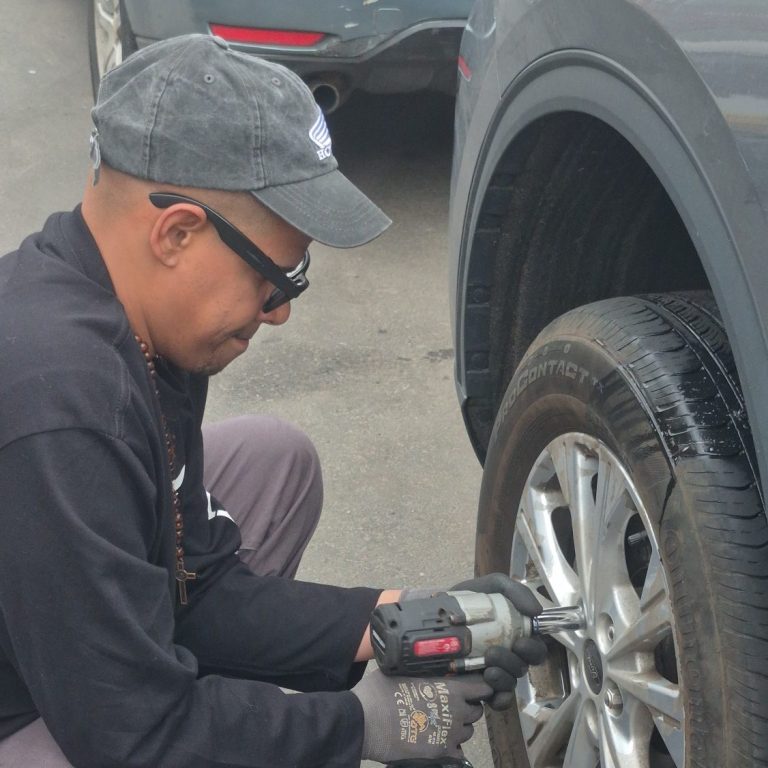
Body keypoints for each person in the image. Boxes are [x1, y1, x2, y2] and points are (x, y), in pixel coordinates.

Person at [0, 35, 546, 767]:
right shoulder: (63, 406)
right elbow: (132, 738)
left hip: (58, 641)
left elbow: (198, 590)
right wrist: (358, 726)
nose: (280, 311)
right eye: (272, 279)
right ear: (177, 233)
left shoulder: (134, 315)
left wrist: (397, 619)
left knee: (273, 458)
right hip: (41, 709)